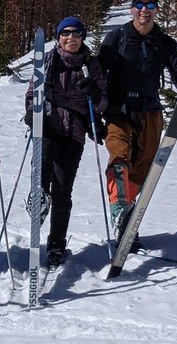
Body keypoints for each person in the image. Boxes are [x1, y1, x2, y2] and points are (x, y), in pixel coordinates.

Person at [96, 0, 177, 249]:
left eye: (150, 5)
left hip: (150, 112)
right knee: (119, 159)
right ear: (132, 9)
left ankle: (128, 226)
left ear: (156, 9)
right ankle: (120, 212)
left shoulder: (165, 43)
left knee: (143, 171)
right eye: (140, 5)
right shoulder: (116, 37)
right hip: (118, 112)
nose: (145, 10)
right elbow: (98, 74)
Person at [25, 16, 108, 268]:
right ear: (59, 36)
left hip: (74, 133)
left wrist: (93, 93)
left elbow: (104, 101)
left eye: (76, 34)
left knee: (62, 189)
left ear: (82, 37)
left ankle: (56, 244)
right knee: (41, 182)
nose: (70, 38)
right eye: (65, 33)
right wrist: (31, 111)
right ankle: (37, 220)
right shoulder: (48, 60)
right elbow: (32, 92)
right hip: (48, 127)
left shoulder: (90, 65)